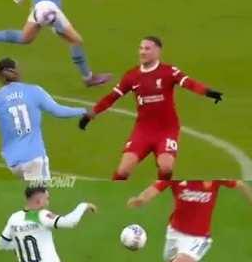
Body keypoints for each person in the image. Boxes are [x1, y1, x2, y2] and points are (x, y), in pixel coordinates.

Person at [79, 37, 223, 180]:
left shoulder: (168, 71)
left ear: (158, 51)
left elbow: (189, 83)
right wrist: (91, 114)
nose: (142, 52)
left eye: (147, 49)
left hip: (167, 129)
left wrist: (208, 92)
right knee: (123, 171)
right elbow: (112, 97)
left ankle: (161, 186)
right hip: (143, 130)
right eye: (141, 48)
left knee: (166, 168)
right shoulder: (132, 76)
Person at [0, 0, 111, 87]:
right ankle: (88, 78)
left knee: (25, 38)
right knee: (76, 40)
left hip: (38, 8)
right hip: (49, 10)